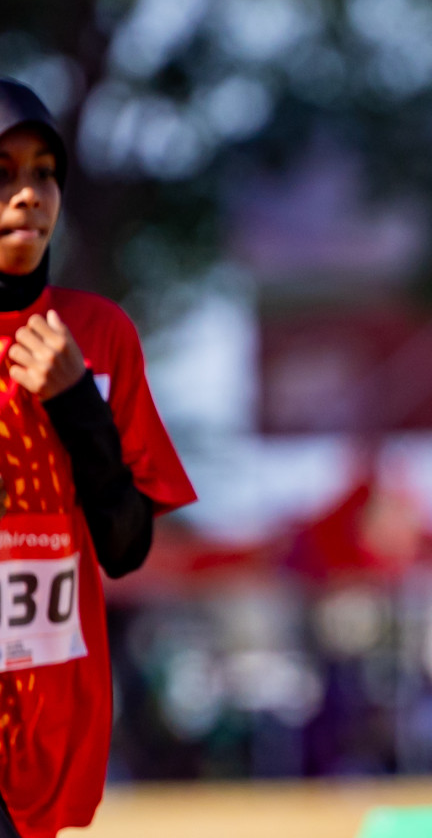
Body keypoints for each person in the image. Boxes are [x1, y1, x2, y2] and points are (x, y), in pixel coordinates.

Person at [0, 80, 197, 838]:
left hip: (51, 703)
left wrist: (76, 402)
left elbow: (126, 548)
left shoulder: (99, 336)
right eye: (3, 172)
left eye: (44, 171)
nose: (27, 196)